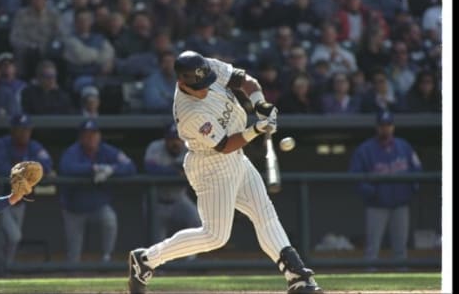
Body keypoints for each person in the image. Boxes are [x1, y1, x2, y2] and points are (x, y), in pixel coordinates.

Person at [128, 50, 322, 294]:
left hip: (236, 158)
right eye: (199, 86)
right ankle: (146, 260)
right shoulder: (189, 112)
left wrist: (260, 103)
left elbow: (245, 81)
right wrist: (256, 129)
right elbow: (225, 145)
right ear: (181, 82)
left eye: (207, 81)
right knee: (215, 236)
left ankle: (297, 277)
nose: (206, 88)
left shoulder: (205, 67)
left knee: (265, 214)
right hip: (211, 164)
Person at [349, 110, 422, 269]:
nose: (385, 129)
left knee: (401, 248)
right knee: (372, 248)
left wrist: (411, 191)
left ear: (393, 127)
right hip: (376, 206)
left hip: (401, 204)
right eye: (382, 126)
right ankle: (368, 281)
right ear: (377, 127)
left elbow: (417, 170)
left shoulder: (404, 146)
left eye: (388, 125)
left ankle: (403, 284)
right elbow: (355, 176)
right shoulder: (365, 149)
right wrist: (371, 193)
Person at [59, 119, 137, 263]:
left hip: (98, 205)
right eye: (87, 135)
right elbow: (66, 167)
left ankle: (107, 257)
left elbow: (130, 166)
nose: (91, 138)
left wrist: (111, 169)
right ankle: (73, 272)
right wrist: (93, 169)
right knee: (74, 255)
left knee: (109, 220)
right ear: (81, 137)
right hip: (73, 207)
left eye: (94, 134)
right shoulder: (73, 151)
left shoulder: (106, 150)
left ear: (99, 135)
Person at [0, 114, 53, 275]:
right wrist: (17, 173)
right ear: (13, 130)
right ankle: (1, 269)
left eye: (27, 130)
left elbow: (46, 165)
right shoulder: (0, 145)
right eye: (20, 130)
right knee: (12, 237)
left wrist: (14, 195)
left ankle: (4, 270)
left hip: (17, 200)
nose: (24, 133)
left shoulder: (34, 146)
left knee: (9, 240)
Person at [144, 123, 201, 245]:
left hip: (179, 200)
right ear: (165, 139)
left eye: (178, 139)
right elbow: (150, 168)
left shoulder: (189, 149)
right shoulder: (155, 147)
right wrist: (176, 171)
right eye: (171, 139)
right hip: (157, 202)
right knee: (156, 244)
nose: (175, 143)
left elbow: (201, 168)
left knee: (196, 221)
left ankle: (190, 259)